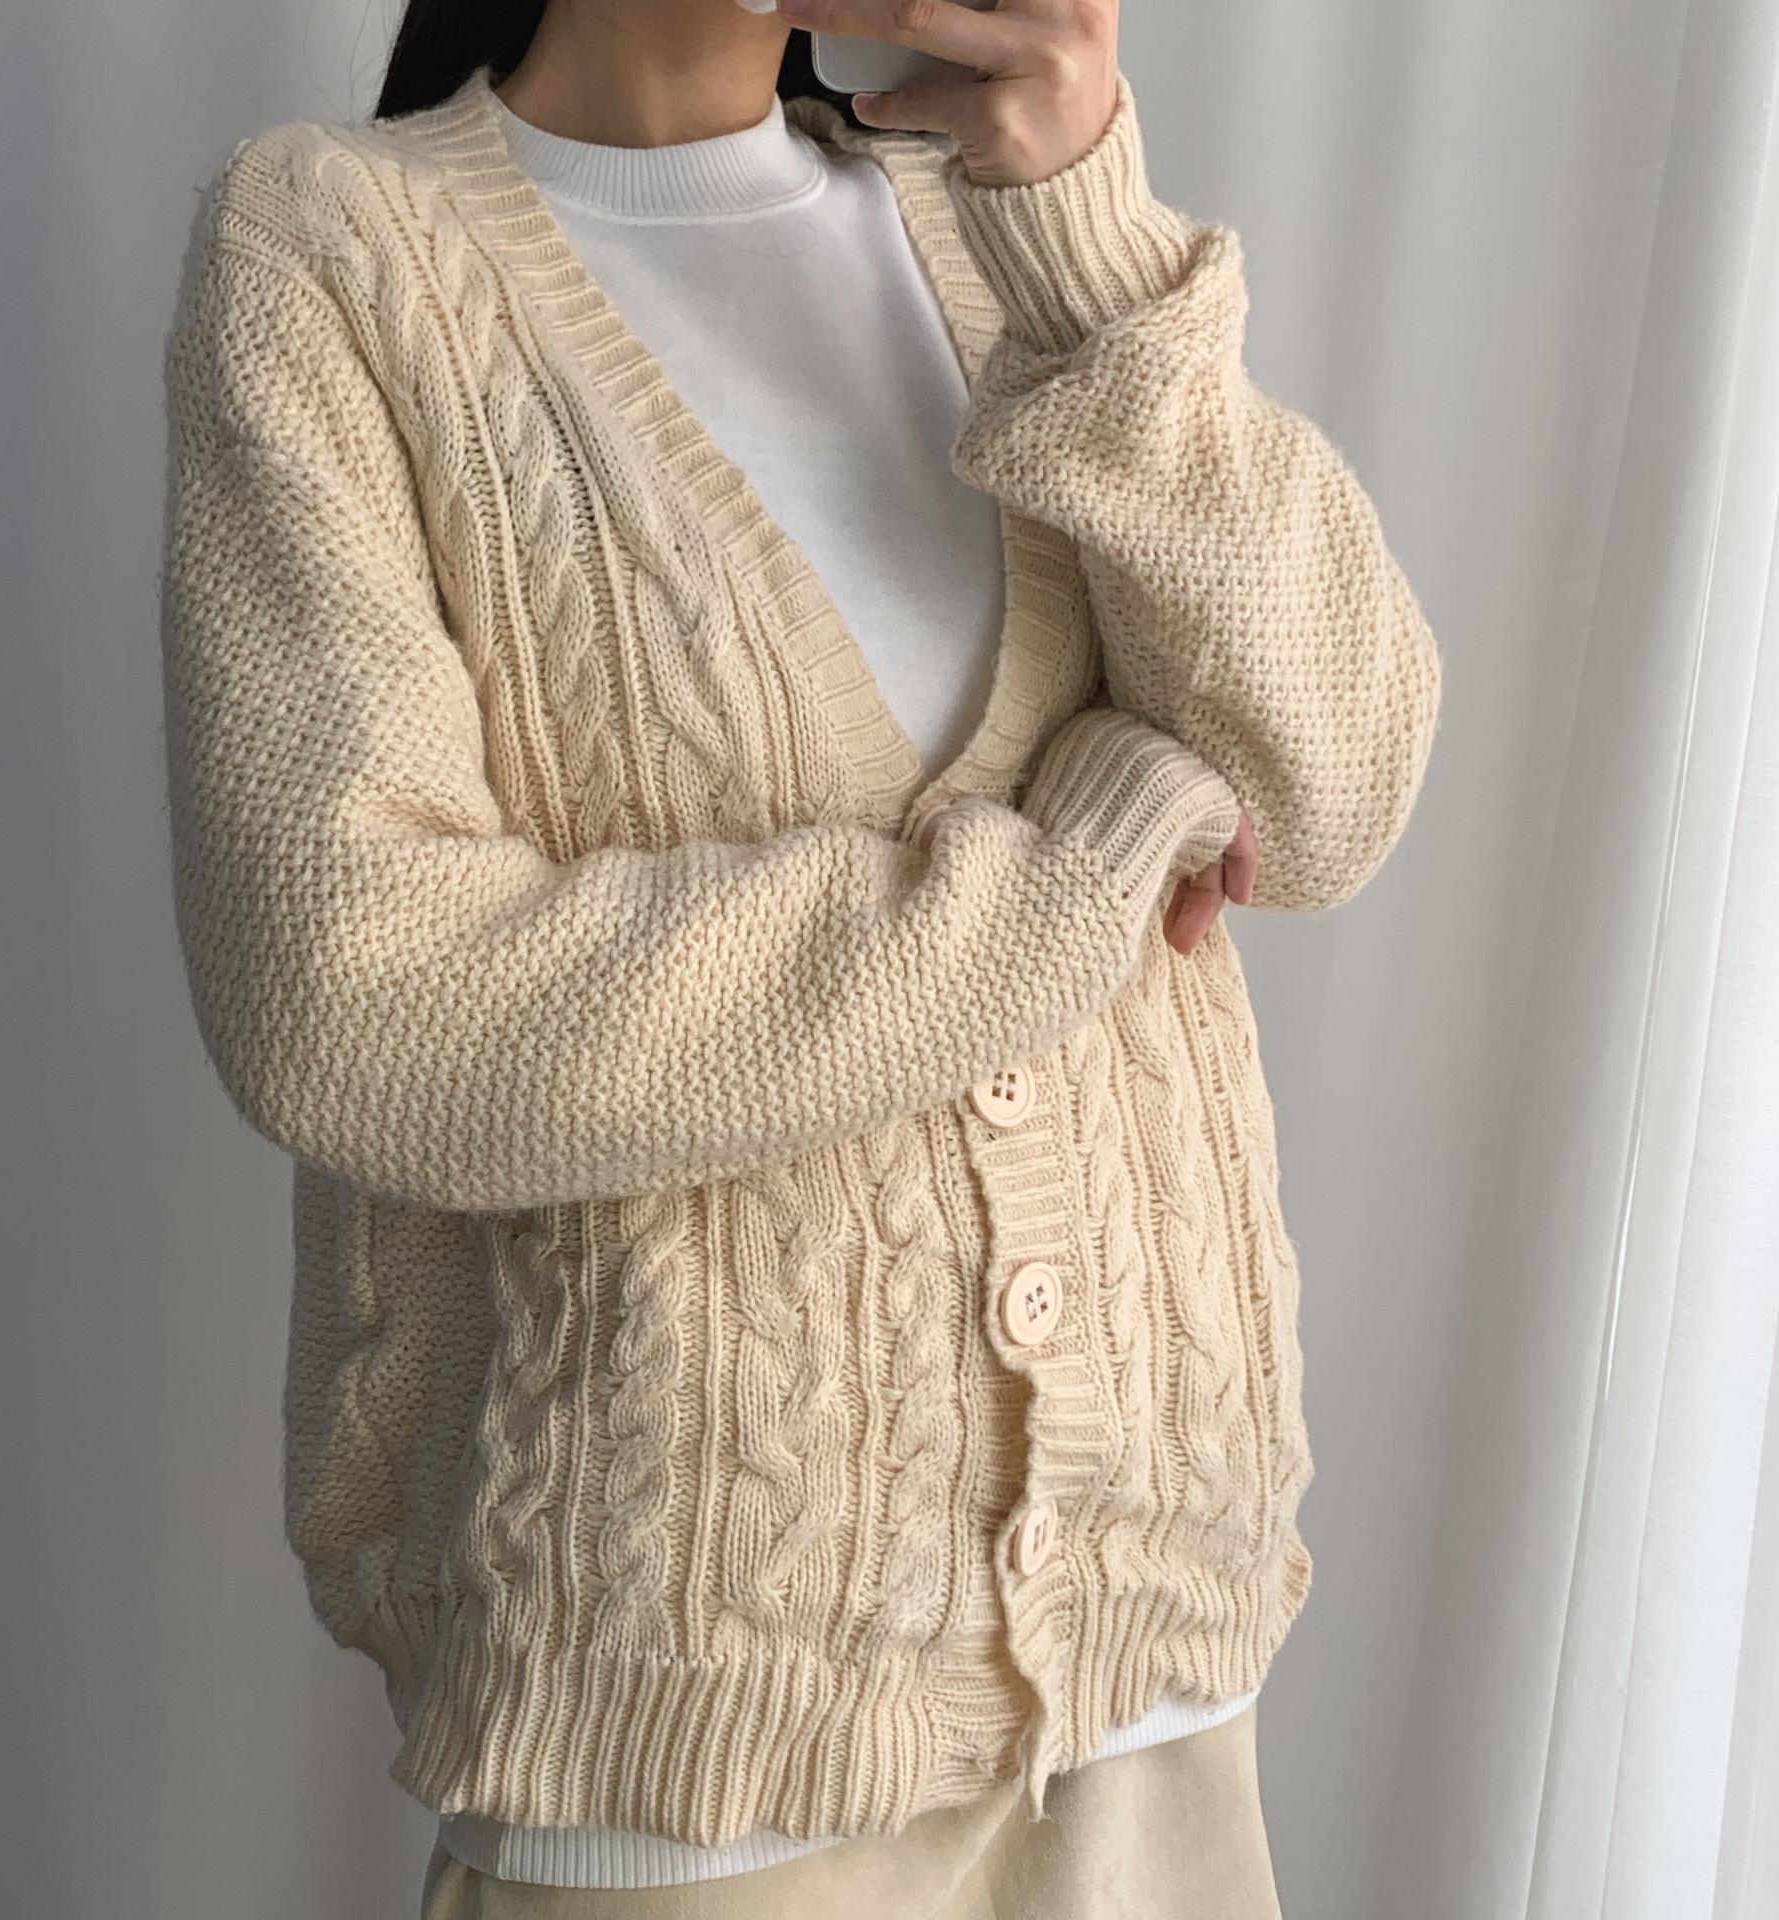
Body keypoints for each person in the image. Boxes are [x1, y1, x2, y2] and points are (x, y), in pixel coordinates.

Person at [156, 0, 1443, 1912]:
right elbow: (355, 997)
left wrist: (1089, 232)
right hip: (698, 1751)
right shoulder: (335, 248)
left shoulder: (999, 230)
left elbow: (1332, 783)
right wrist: (1072, 874)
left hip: (1158, 1701)